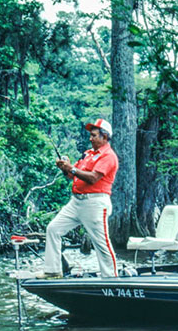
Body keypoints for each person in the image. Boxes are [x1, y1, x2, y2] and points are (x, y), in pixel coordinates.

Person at [40, 118, 119, 278]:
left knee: (101, 242)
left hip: (95, 203)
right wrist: (65, 167)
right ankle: (53, 271)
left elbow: (93, 178)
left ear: (104, 137)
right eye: (90, 135)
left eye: (94, 135)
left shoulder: (108, 156)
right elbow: (72, 175)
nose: (90, 138)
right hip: (76, 202)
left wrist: (72, 168)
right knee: (53, 229)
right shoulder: (88, 154)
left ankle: (111, 278)